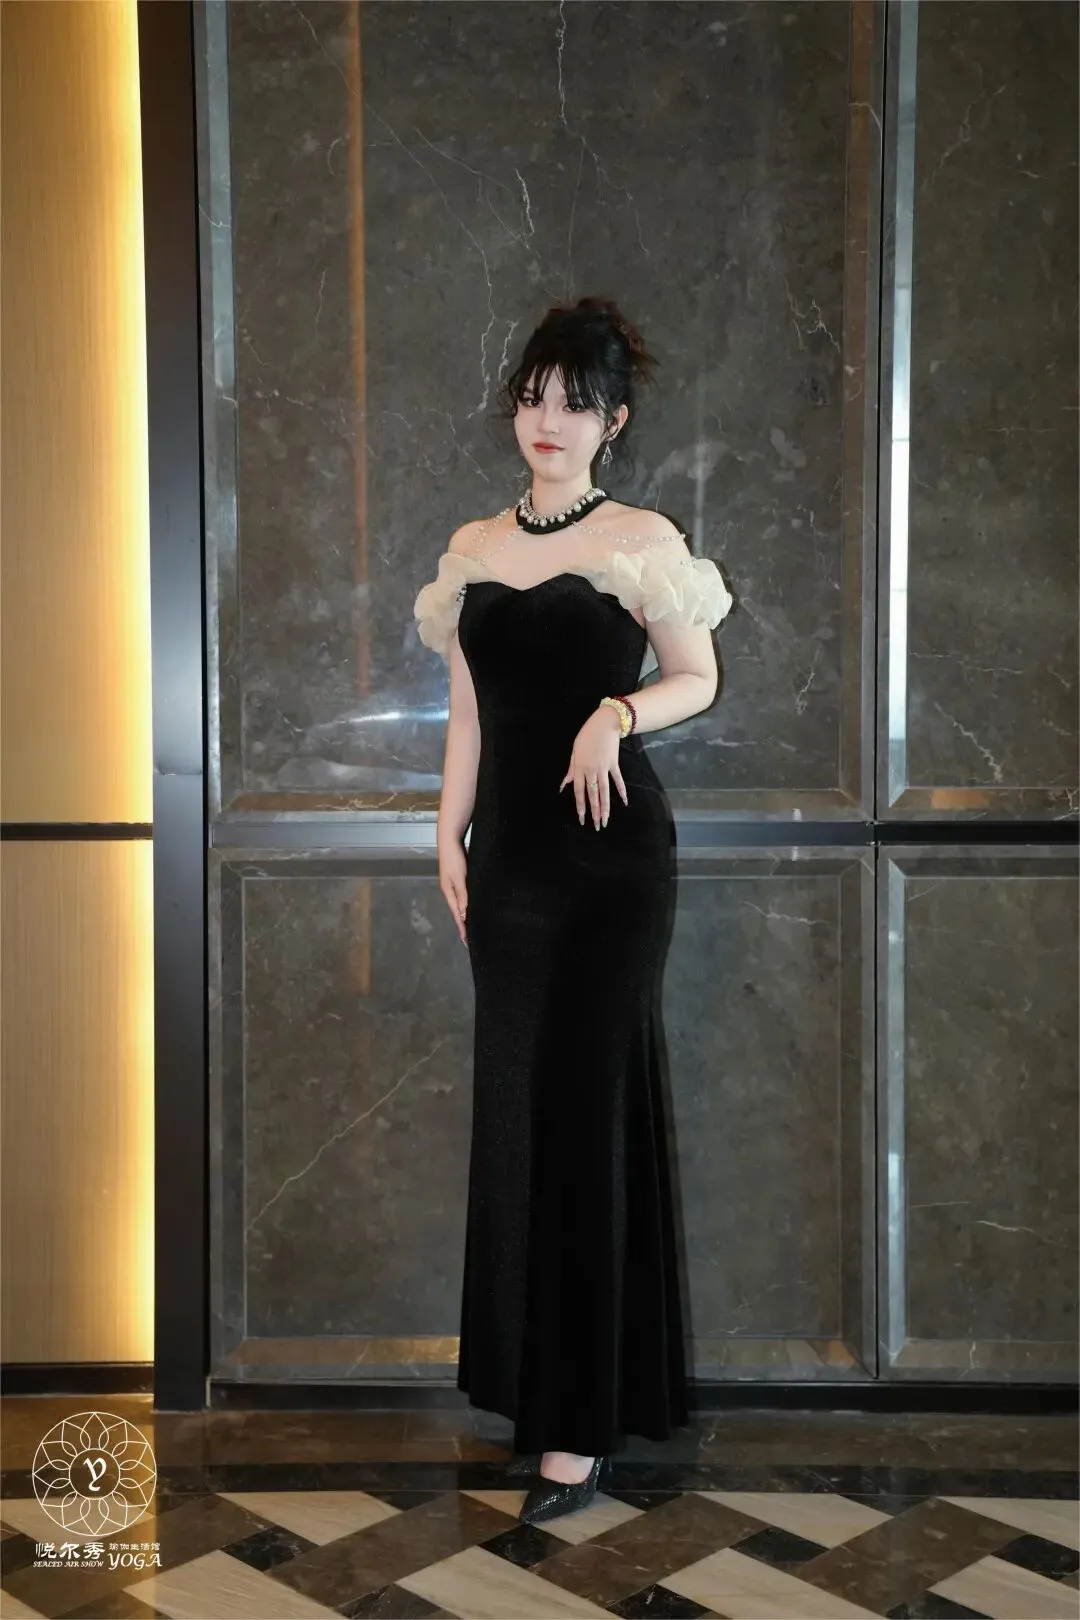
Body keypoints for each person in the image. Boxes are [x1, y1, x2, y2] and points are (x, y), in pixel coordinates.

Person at [412, 296, 733, 1524]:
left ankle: (582, 1428)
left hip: (612, 870)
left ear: (614, 421)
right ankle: (533, 1394)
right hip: (509, 869)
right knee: (517, 1120)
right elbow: (468, 714)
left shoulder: (642, 539)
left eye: (577, 403)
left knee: (590, 1122)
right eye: (535, 397)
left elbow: (697, 677)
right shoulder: (474, 546)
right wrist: (445, 832)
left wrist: (617, 713)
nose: (550, 421)